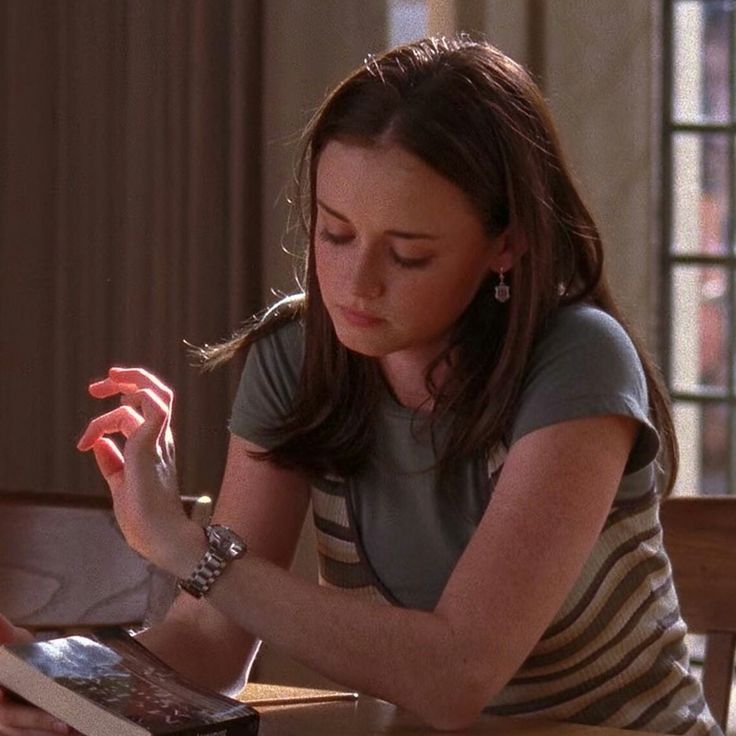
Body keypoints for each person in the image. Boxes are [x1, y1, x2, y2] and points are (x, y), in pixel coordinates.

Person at [0, 35, 722, 736]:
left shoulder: (577, 360)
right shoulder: (296, 356)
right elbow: (213, 645)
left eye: (408, 255)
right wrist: (49, 683)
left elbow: (454, 680)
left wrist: (183, 545)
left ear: (507, 243)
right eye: (334, 234)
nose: (355, 284)